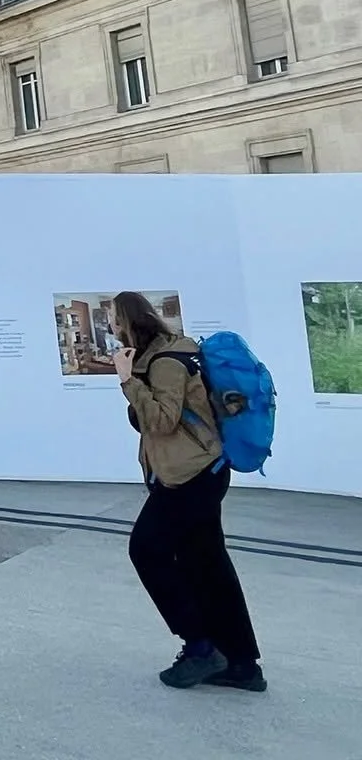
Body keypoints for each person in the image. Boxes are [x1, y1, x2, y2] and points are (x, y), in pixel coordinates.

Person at [113, 290, 264, 691]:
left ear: (127, 322)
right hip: (203, 470)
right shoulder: (175, 352)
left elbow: (161, 421)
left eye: (114, 322)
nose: (112, 332)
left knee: (146, 549)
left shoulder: (164, 363)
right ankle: (243, 665)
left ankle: (200, 647)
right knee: (207, 563)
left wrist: (128, 381)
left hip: (189, 477)